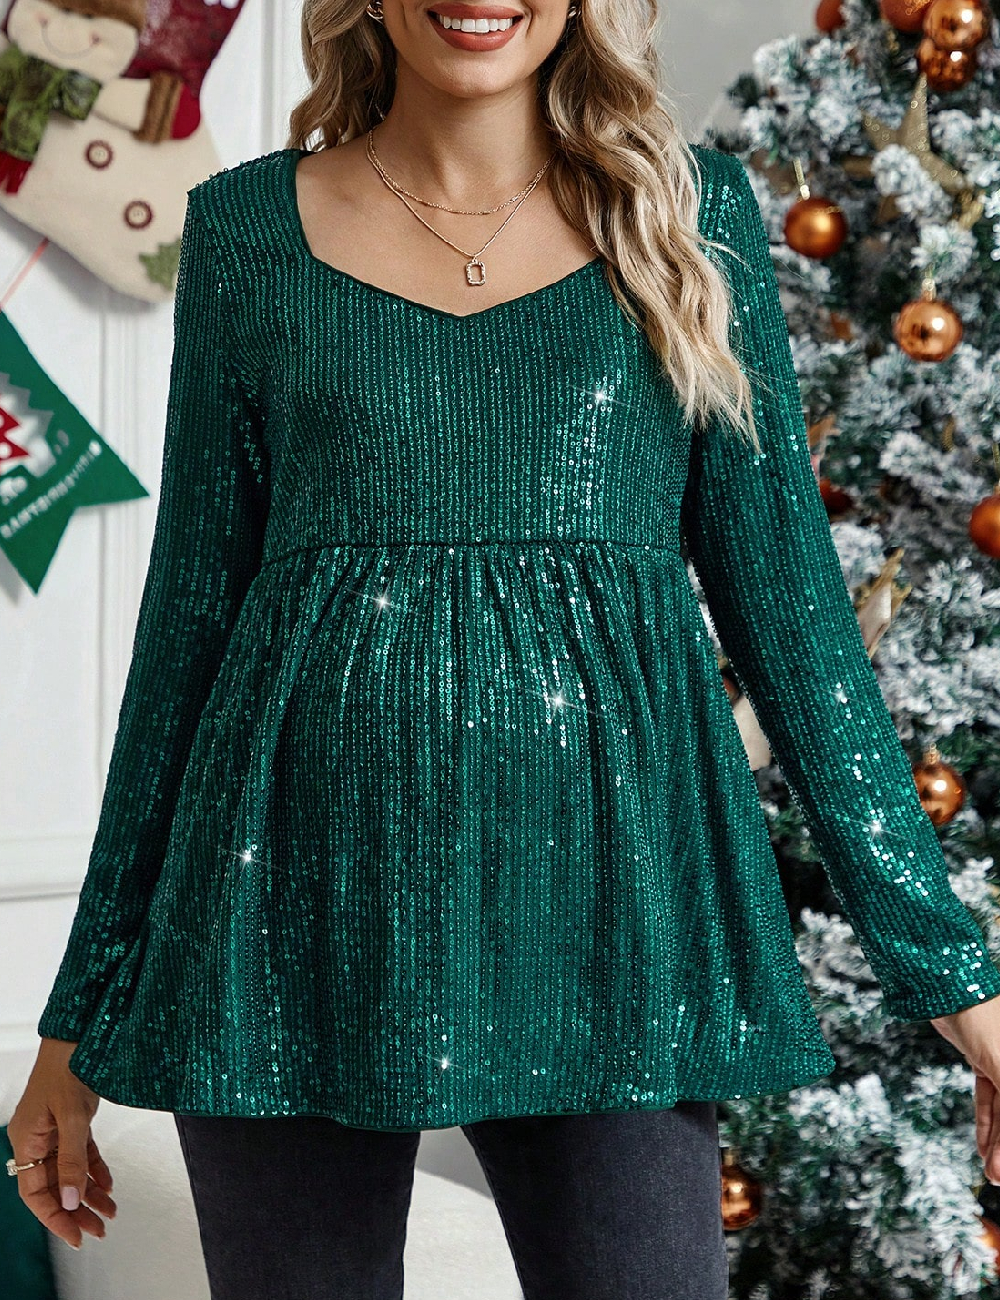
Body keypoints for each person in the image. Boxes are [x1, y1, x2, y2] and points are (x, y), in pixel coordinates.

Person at [8, 0, 1000, 1295]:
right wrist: (77, 1020)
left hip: (619, 931)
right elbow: (186, 642)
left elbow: (801, 634)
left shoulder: (690, 217)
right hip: (279, 927)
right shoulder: (247, 231)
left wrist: (960, 986)